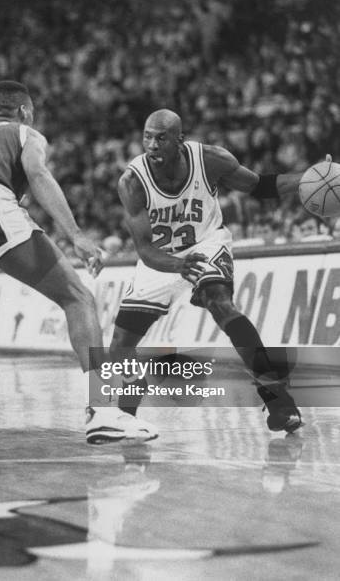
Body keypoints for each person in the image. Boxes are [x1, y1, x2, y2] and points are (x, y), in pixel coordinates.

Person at [0, 80, 157, 445]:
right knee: (78, 298)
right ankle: (102, 410)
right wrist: (77, 235)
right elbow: (38, 175)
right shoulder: (25, 133)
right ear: (24, 111)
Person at [110, 109, 308, 434]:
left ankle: (278, 400)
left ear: (180, 140)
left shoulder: (211, 160)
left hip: (206, 242)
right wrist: (177, 265)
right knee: (119, 347)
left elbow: (259, 186)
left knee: (221, 304)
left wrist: (310, 177)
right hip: (161, 258)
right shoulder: (133, 182)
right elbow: (144, 250)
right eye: (147, 137)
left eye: (161, 138)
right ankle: (125, 414)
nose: (152, 145)